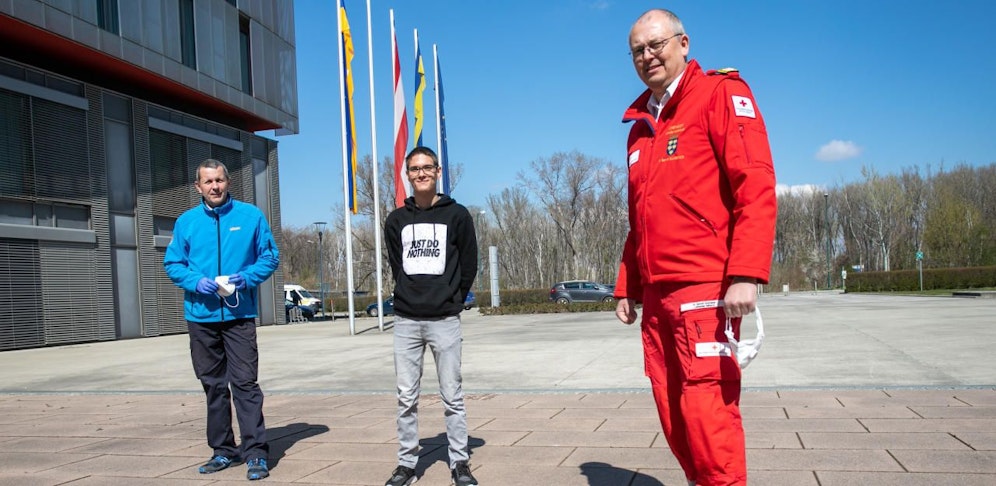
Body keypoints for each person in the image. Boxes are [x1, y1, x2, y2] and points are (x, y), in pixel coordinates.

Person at [614, 9, 777, 486]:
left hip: (704, 291)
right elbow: (640, 218)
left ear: (683, 44)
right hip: (658, 299)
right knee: (673, 413)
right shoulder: (639, 128)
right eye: (638, 50)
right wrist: (628, 285)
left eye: (656, 44)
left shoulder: (720, 95)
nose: (648, 56)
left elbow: (755, 185)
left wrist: (745, 272)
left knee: (708, 416)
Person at [164, 158, 279, 481]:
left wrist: (246, 278)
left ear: (228, 182)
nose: (214, 186)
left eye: (219, 180)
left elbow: (270, 256)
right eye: (208, 181)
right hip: (201, 316)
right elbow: (173, 263)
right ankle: (223, 451)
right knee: (214, 386)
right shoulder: (186, 222)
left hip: (239, 315)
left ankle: (256, 453)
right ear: (197, 187)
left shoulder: (251, 216)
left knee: (245, 384)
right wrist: (195, 282)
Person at [383, 146, 479, 486]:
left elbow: (469, 264)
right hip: (406, 321)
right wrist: (411, 295)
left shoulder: (457, 215)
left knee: (452, 395)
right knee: (406, 397)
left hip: (445, 320)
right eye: (414, 169)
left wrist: (452, 298)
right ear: (407, 175)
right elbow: (397, 265)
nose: (421, 173)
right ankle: (407, 464)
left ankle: (460, 462)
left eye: (427, 167)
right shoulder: (396, 220)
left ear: (438, 172)